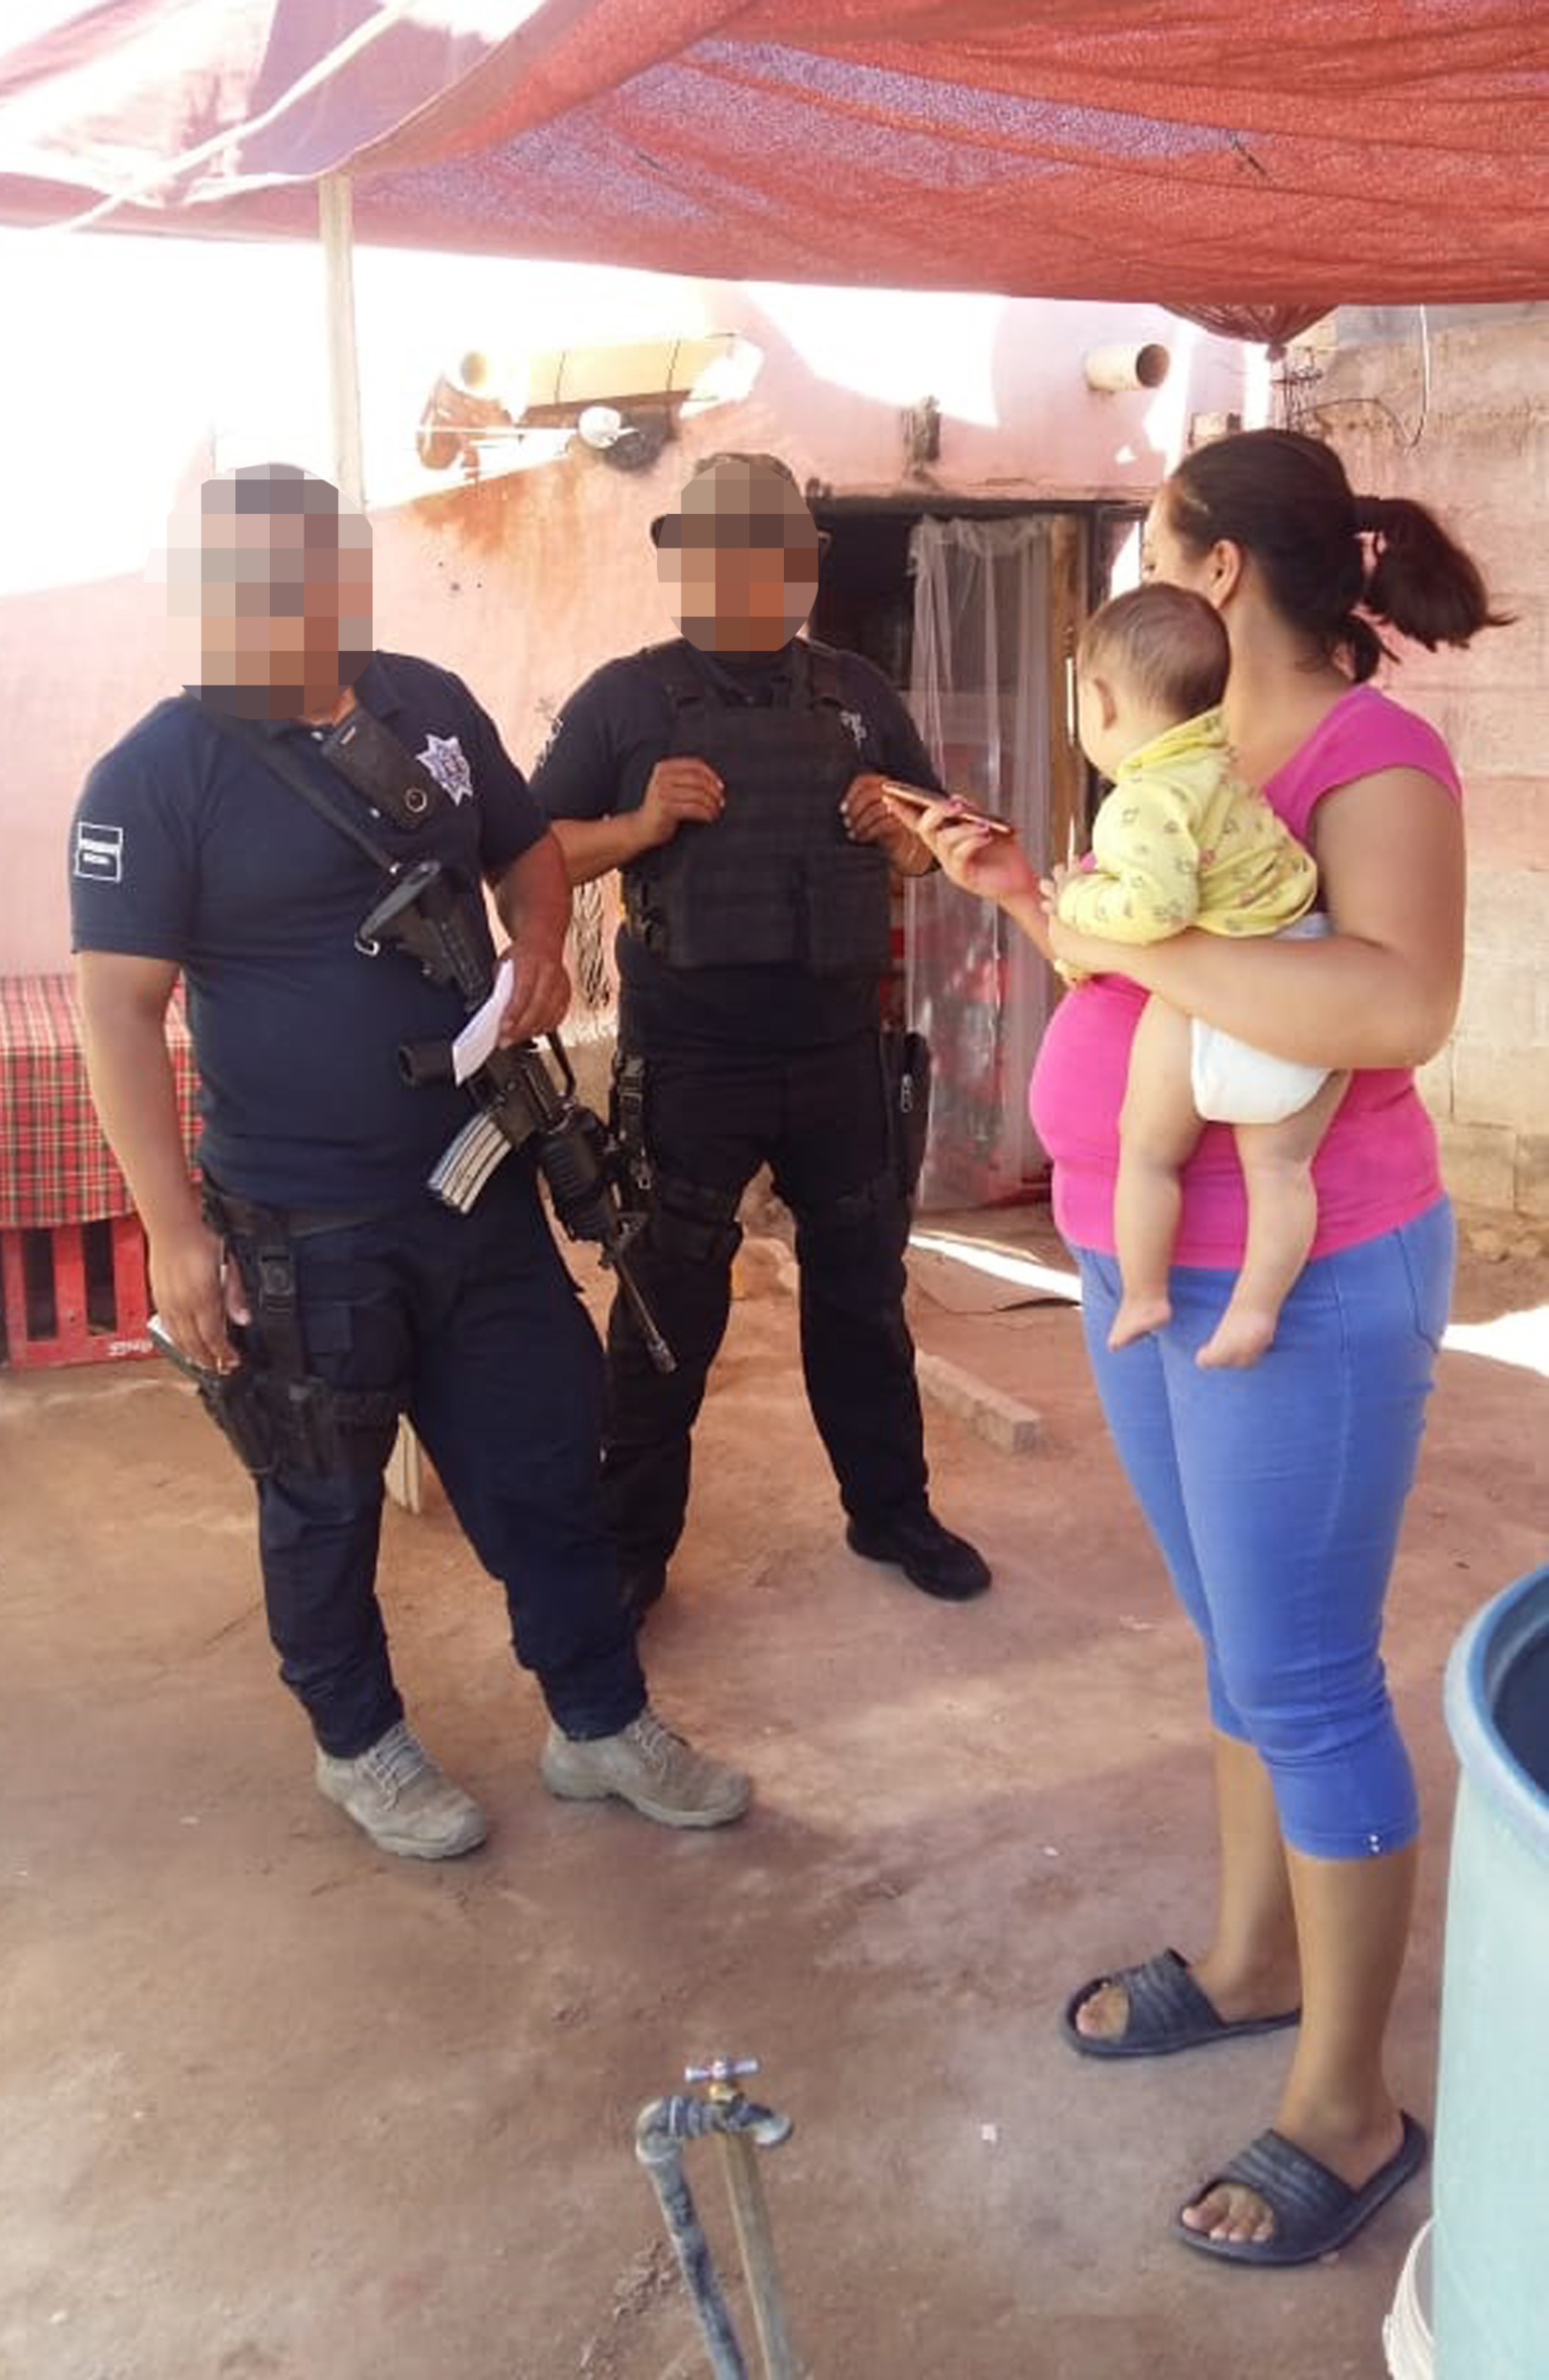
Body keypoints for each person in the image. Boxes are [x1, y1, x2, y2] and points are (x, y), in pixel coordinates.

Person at [902, 428, 1504, 2265]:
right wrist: (1032, 893)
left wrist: (1132, 935)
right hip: (1132, 1246)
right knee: (1241, 1649)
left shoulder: (1368, 755)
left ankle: (1350, 2102)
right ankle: (1254, 1959)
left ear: (1218, 569)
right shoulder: (1182, 752)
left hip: (1304, 1270)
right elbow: (1131, 961)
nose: (1134, 587)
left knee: (1306, 1678)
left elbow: (1397, 997)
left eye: (1153, 547)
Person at [70, 461, 750, 1859]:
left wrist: (542, 946)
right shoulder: (154, 773)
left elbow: (527, 849)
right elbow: (118, 1012)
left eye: (311, 573)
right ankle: (359, 1741)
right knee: (321, 1494)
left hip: (478, 1175)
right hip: (297, 1216)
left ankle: (598, 1716)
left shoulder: (425, 704)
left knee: (546, 1455)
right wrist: (174, 1231)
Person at [529, 450, 989, 1620]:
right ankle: (630, 1547)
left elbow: (938, 843)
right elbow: (527, 857)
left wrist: (897, 828)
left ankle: (890, 1510)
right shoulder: (626, 698)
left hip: (838, 1052)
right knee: (667, 1311)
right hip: (690, 1061)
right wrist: (640, 824)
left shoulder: (855, 691)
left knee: (862, 1298)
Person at [1050, 582, 1343, 1368]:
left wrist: (1080, 901)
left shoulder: (1140, 803)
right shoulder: (1222, 766)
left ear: (1098, 702)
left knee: (1147, 1152)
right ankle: (1256, 1308)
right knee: (1280, 1169)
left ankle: (1145, 1291)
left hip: (1209, 991)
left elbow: (1159, 909)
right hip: (1300, 974)